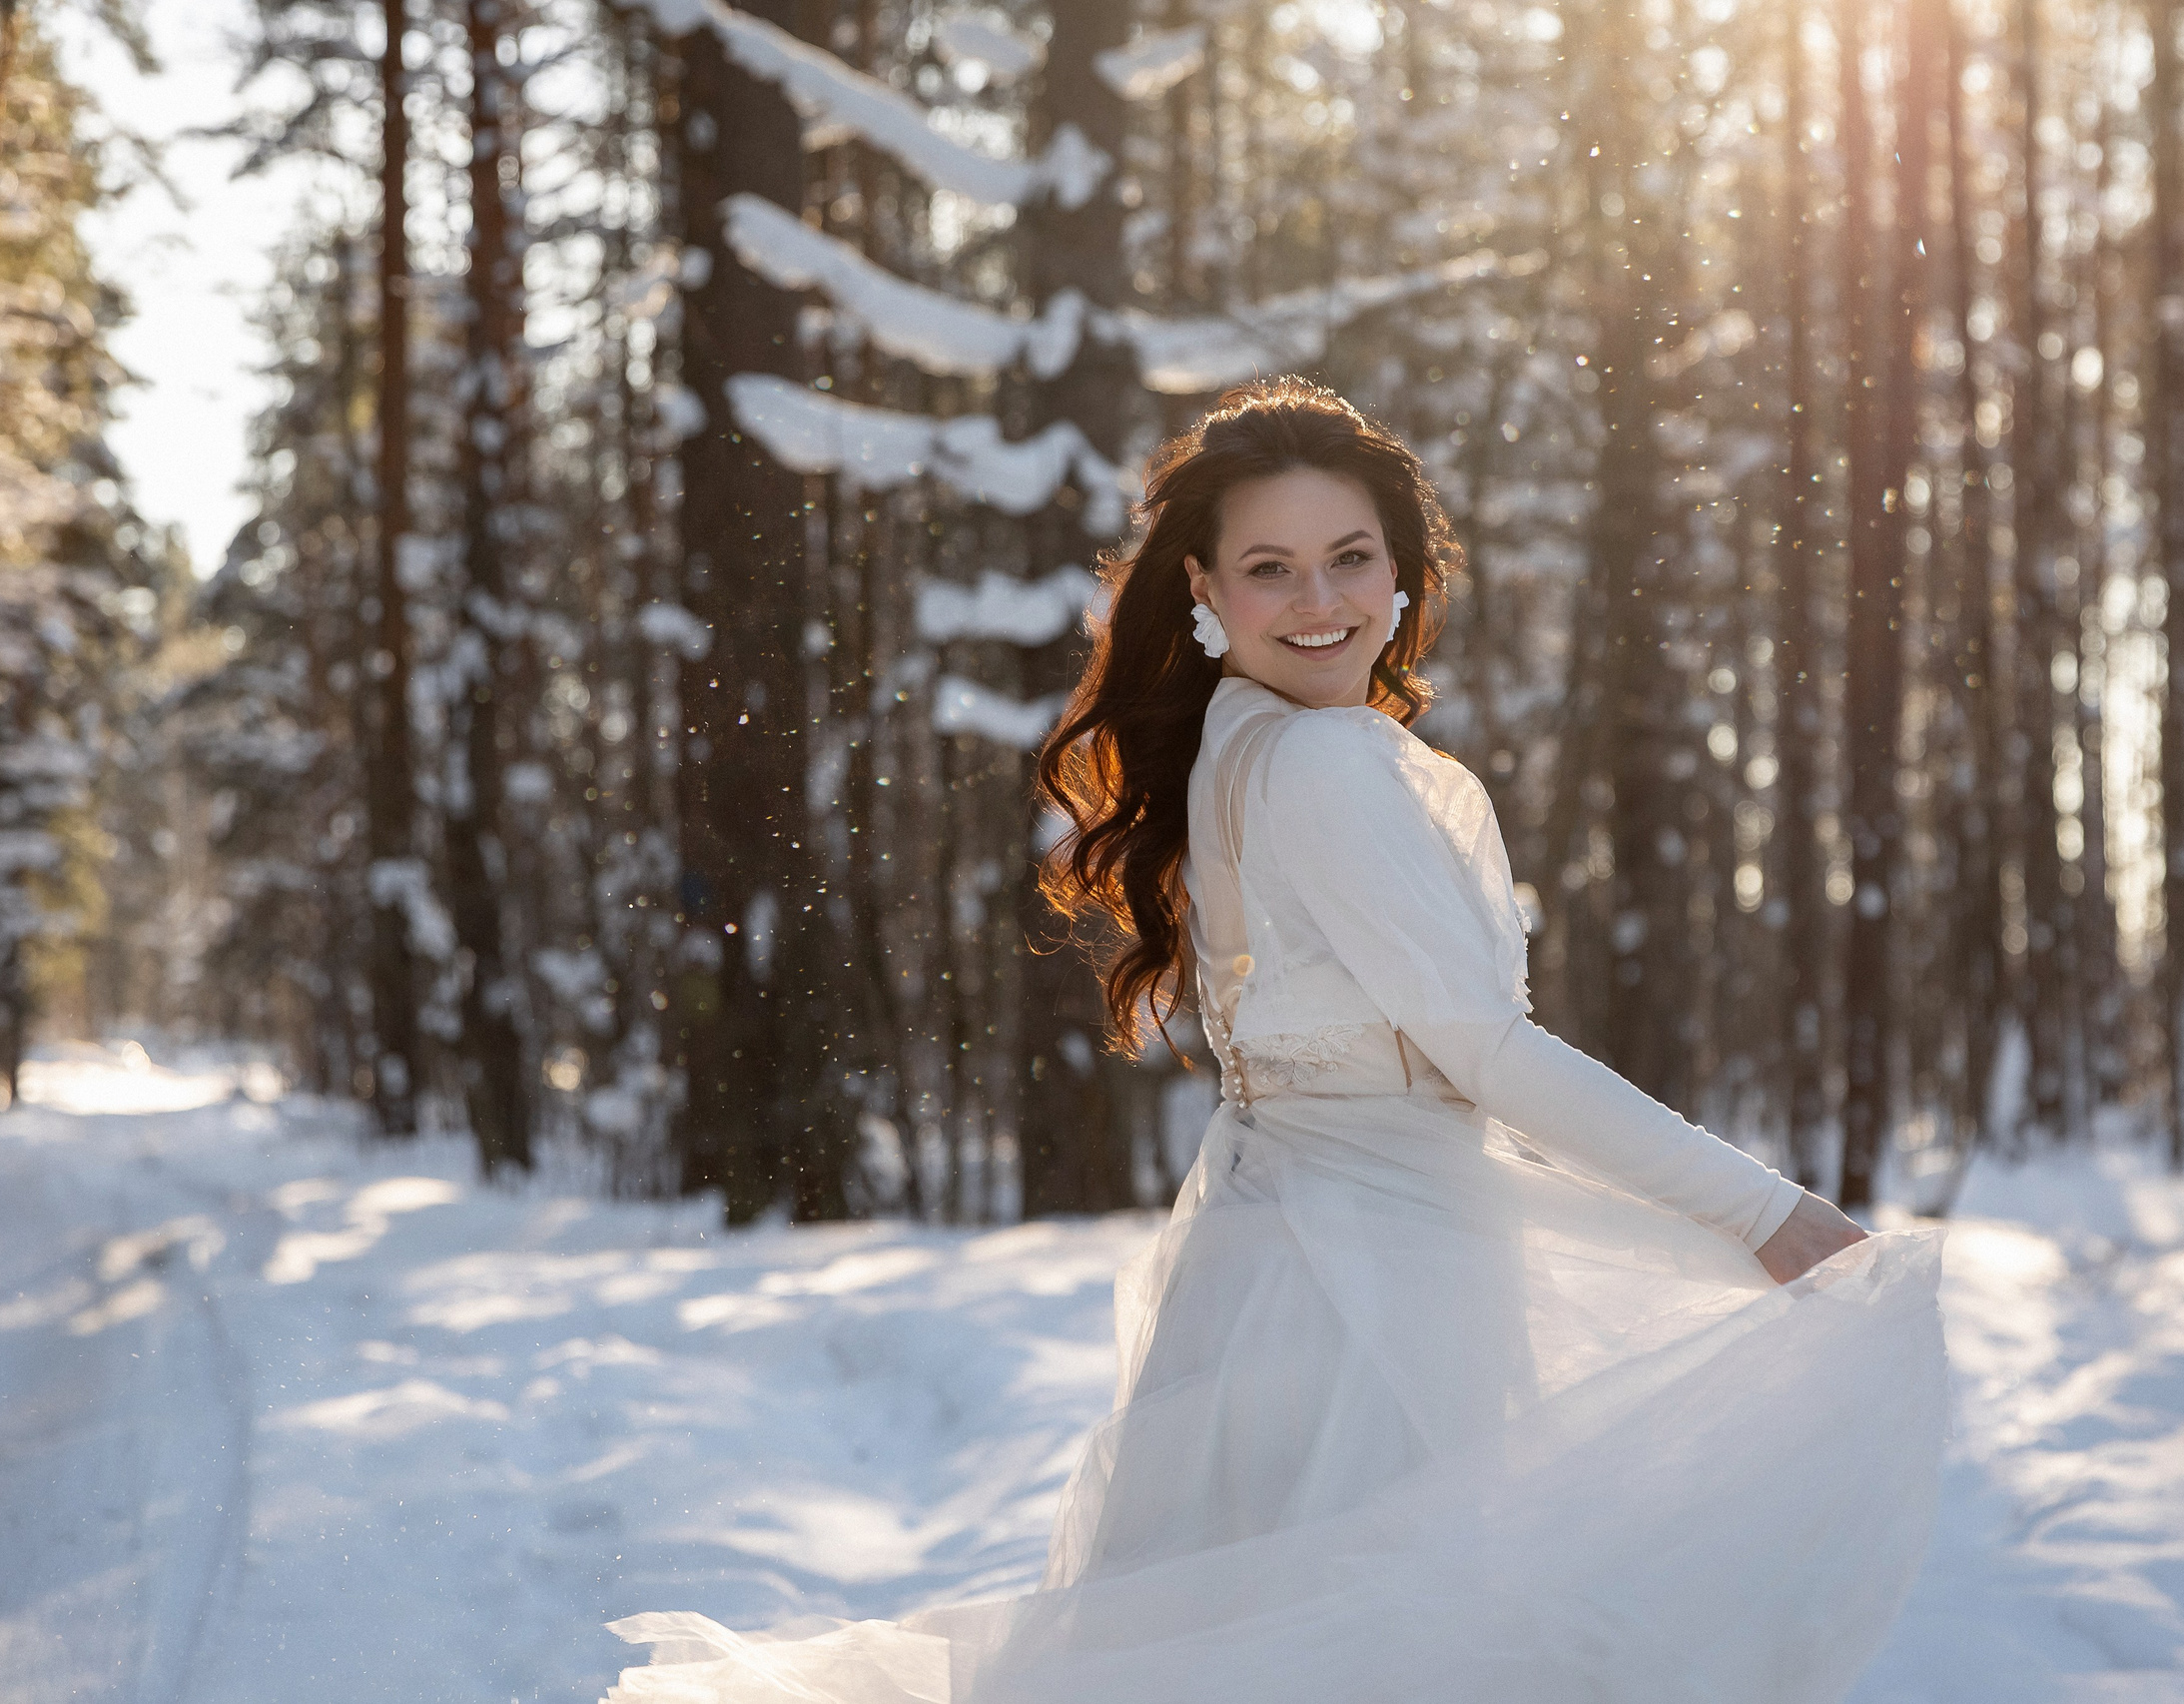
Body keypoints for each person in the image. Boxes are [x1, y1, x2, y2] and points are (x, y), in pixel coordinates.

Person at [602, 379, 1947, 1704]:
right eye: (1271, 568)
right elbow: (1485, 1048)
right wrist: (1763, 1212)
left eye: (1351, 557)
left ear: (1403, 569)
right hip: (1374, 1283)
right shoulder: (1324, 761)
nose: (1320, 601)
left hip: (1279, 1260)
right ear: (1204, 586)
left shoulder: (1242, 735)